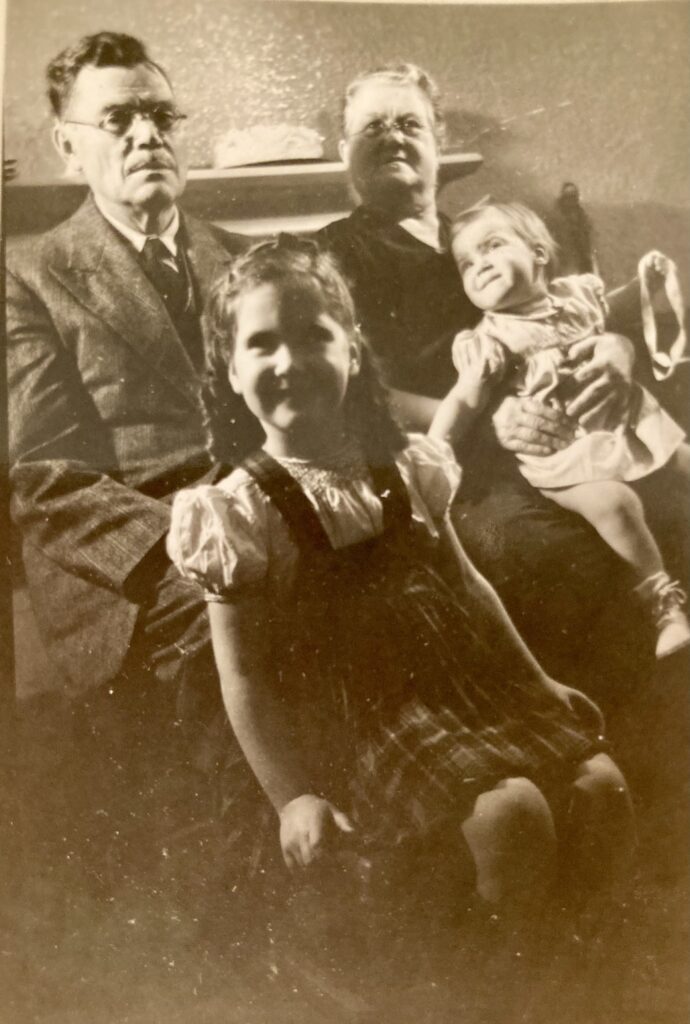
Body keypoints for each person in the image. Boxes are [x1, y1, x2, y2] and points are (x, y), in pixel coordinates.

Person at [167, 237, 635, 973]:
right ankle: (504, 982)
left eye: (313, 336)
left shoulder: (407, 465)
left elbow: (468, 586)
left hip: (469, 691)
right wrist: (293, 797)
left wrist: (537, 683)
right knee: (513, 817)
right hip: (366, 719)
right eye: (261, 345)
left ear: (353, 352)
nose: (288, 361)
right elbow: (245, 676)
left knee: (603, 790)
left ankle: (577, 970)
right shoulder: (236, 510)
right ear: (231, 371)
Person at [317, 62, 676, 687]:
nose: (393, 136)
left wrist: (617, 351)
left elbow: (565, 310)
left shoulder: (482, 234)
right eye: (371, 126)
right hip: (456, 460)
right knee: (551, 557)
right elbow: (350, 390)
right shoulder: (330, 252)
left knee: (677, 492)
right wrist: (487, 408)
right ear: (343, 148)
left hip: (569, 428)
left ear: (437, 138)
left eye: (409, 123)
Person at [7, 31, 247, 887]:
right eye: (118, 119)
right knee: (243, 635)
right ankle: (247, 901)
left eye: (158, 114)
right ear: (69, 145)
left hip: (254, 520)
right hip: (126, 564)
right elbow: (44, 476)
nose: (146, 135)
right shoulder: (27, 272)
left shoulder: (239, 258)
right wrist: (183, 549)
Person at [430, 201, 689, 659]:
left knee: (685, 460)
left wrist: (644, 280)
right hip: (566, 454)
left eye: (492, 246)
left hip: (624, 421)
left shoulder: (577, 295)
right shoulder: (488, 341)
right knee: (615, 503)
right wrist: (434, 453)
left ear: (539, 254)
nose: (480, 264)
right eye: (467, 263)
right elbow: (465, 400)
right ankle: (662, 606)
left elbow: (616, 306)